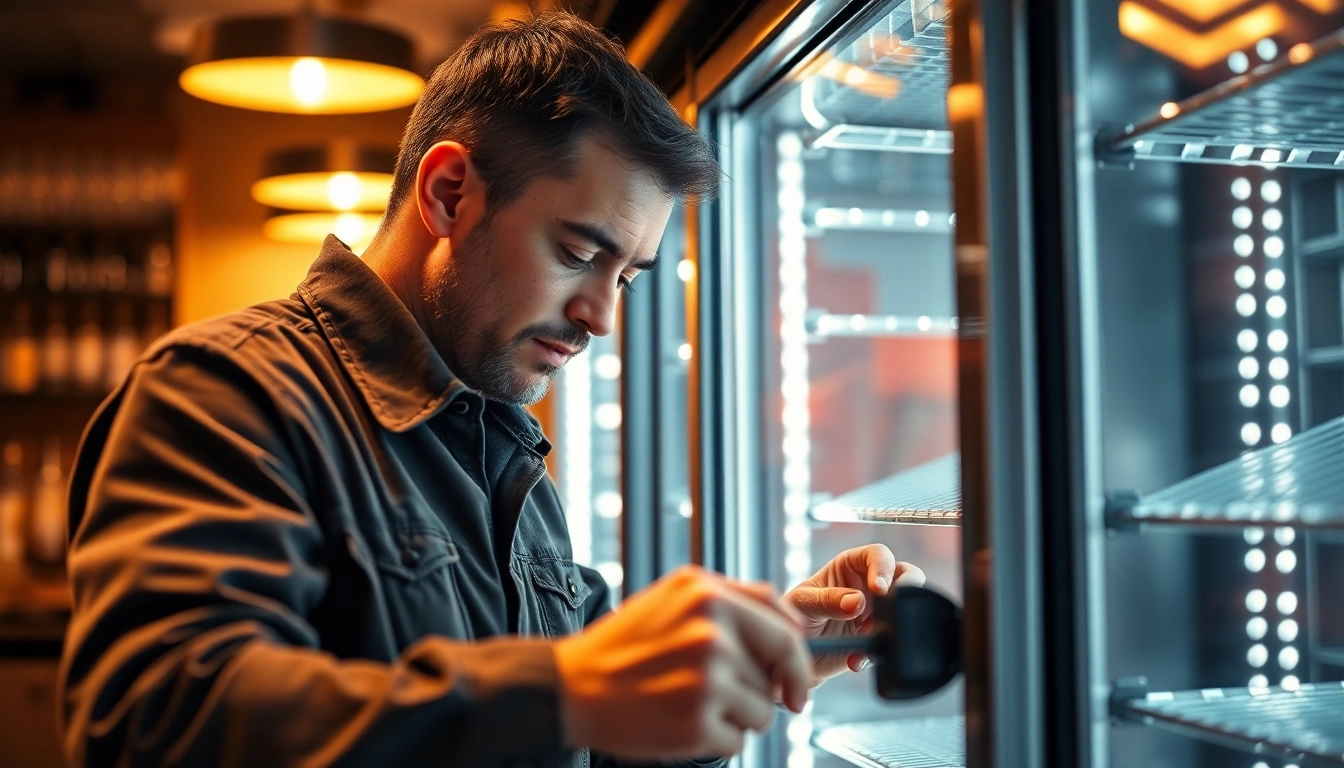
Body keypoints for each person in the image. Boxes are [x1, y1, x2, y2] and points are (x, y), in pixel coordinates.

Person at [57, 12, 925, 767]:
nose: (600, 316)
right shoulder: (223, 394)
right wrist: (564, 689)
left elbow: (593, 741)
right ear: (447, 193)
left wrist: (769, 650)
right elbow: (158, 725)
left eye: (627, 278)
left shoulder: (501, 443)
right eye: (581, 254)